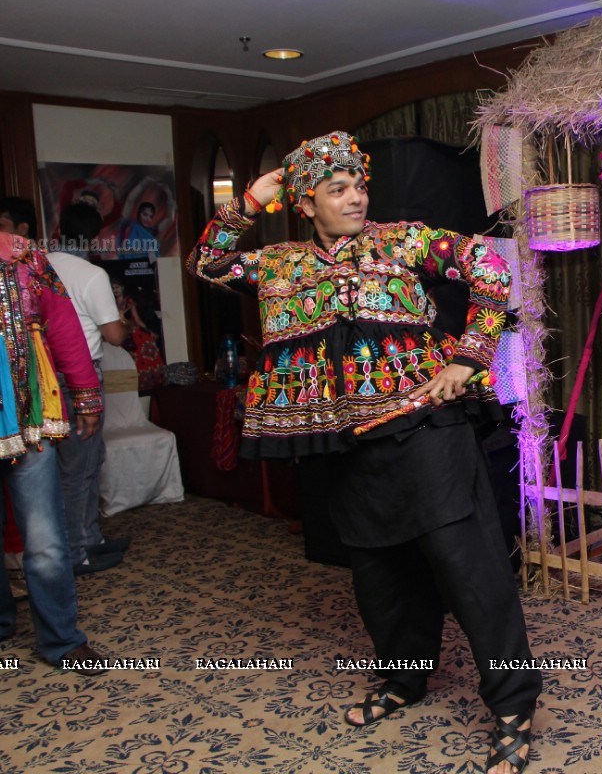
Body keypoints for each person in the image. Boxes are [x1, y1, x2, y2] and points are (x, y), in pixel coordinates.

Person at [187, 132, 540, 774]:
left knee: (468, 569)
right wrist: (250, 200)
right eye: (338, 189)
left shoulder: (400, 239)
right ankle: (404, 680)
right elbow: (207, 263)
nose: (356, 197)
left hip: (427, 431)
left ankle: (514, 703)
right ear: (305, 202)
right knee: (380, 573)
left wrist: (470, 357)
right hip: (343, 443)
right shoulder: (280, 263)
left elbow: (490, 266)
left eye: (360, 186)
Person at [0, 212, 109, 673]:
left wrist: (85, 395)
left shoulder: (23, 257)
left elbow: (63, 326)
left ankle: (63, 640)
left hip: (26, 418)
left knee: (44, 534)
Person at [48, 202, 131, 574]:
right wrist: (124, 321)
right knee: (80, 466)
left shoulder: (41, 267)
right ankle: (76, 550)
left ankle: (90, 538)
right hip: (80, 376)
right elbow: (113, 335)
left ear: (58, 229)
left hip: (45, 376)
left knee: (76, 463)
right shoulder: (90, 274)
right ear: (95, 236)